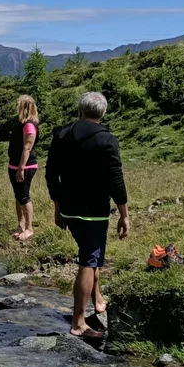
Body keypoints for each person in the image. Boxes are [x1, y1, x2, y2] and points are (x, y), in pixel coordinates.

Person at [45, 92, 130, 339]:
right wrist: (124, 214)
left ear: (80, 111)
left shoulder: (61, 135)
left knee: (92, 253)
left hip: (69, 208)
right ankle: (78, 323)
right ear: (102, 113)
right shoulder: (106, 140)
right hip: (94, 211)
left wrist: (57, 206)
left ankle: (97, 299)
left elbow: (52, 173)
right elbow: (116, 180)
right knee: (89, 260)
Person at [8, 95, 41, 241]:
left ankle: (29, 228)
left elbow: (27, 148)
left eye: (18, 105)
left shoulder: (29, 125)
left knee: (24, 195)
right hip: (14, 165)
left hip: (25, 167)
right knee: (18, 195)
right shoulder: (21, 124)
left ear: (23, 107)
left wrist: (21, 168)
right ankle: (21, 225)